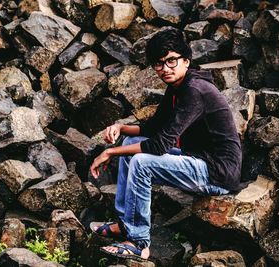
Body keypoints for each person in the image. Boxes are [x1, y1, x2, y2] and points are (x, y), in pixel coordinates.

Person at [89, 28, 243, 261]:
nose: (165, 68)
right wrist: (121, 127)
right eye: (159, 64)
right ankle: (125, 223)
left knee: (142, 162)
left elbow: (160, 145)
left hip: (217, 173)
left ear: (186, 60)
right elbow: (153, 129)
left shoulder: (195, 90)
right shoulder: (177, 87)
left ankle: (138, 242)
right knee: (132, 143)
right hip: (196, 158)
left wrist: (111, 151)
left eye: (171, 60)